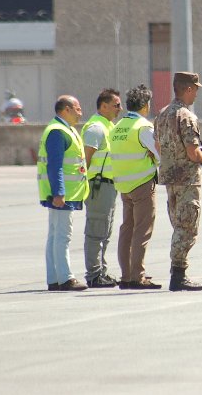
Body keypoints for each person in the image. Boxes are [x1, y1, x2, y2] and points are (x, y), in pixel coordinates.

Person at [154, 72, 202, 291]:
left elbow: (158, 146)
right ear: (188, 89)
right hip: (187, 179)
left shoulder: (162, 114)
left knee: (178, 224)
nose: (196, 93)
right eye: (195, 89)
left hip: (170, 177)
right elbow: (193, 152)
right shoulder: (185, 115)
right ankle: (178, 274)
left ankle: (178, 272)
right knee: (187, 227)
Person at [111, 84, 161, 290]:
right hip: (142, 183)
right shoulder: (143, 127)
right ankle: (137, 276)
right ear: (145, 105)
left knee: (127, 230)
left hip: (123, 185)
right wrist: (153, 158)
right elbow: (159, 154)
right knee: (142, 230)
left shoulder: (118, 126)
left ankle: (125, 275)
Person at [38, 95, 89, 291]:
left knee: (55, 235)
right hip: (62, 195)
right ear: (66, 109)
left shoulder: (63, 129)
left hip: (65, 193)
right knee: (62, 236)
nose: (80, 112)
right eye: (77, 108)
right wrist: (59, 193)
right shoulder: (58, 132)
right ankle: (65, 278)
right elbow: (55, 166)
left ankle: (54, 278)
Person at [80, 88, 122, 288]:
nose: (119, 109)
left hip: (109, 185)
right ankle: (94, 274)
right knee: (96, 231)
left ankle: (101, 271)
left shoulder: (108, 126)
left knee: (105, 231)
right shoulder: (96, 128)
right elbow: (85, 159)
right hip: (98, 185)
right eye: (116, 105)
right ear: (103, 106)